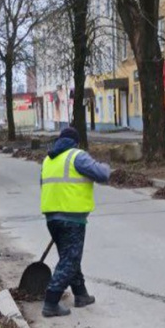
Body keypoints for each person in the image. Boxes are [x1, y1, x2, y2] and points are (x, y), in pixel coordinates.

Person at [40, 127, 110, 317]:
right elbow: (102, 174)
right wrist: (106, 166)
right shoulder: (77, 156)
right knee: (70, 259)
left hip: (51, 217)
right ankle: (51, 302)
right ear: (76, 143)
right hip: (72, 218)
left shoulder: (48, 160)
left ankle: (81, 295)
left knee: (69, 256)